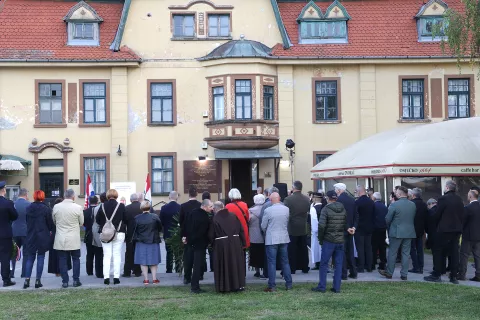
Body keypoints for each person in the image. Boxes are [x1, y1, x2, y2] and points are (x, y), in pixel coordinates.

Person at [425, 180, 464, 284]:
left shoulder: (443, 199)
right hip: (456, 230)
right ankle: (453, 276)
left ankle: (437, 274)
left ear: (447, 187)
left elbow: (437, 214)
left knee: (438, 251)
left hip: (444, 230)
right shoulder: (459, 199)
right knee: (454, 252)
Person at [312, 190, 348, 293]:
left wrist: (320, 238)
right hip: (340, 240)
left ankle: (322, 286)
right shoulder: (343, 209)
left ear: (328, 198)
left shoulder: (326, 209)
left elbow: (322, 225)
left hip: (329, 240)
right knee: (338, 264)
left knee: (324, 264)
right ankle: (337, 287)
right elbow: (345, 223)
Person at [379, 186, 416, 280]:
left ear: (399, 194)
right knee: (406, 254)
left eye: (396, 193)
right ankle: (404, 274)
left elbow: (387, 219)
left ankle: (389, 272)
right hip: (409, 232)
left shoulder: (394, 205)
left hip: (396, 232)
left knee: (392, 253)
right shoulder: (412, 204)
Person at [210, 201, 246, 293]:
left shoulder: (215, 218)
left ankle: (224, 287)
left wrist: (211, 243)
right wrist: (243, 242)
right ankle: (238, 285)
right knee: (235, 263)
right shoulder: (233, 216)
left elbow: (211, 234)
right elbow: (241, 229)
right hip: (235, 243)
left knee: (224, 264)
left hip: (221, 245)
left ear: (215, 209)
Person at [261, 192, 292, 292]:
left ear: (271, 200)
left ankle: (272, 285)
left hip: (272, 238)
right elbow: (287, 222)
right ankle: (289, 284)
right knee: (285, 262)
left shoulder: (268, 210)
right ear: (279, 198)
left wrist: (268, 231)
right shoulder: (286, 209)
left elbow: (263, 226)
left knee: (271, 262)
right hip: (283, 237)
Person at [23, 190, 54, 289]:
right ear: (42, 197)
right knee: (41, 257)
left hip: (31, 235)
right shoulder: (46, 209)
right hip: (42, 236)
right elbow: (50, 224)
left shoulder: (28, 208)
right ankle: (37, 280)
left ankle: (26, 280)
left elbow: (27, 222)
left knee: (30, 258)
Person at [52, 189, 84, 288]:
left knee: (62, 259)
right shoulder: (78, 207)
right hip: (73, 237)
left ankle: (65, 281)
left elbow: (54, 221)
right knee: (76, 259)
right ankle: (76, 280)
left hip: (61, 237)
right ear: (73, 197)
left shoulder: (56, 207)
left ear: (64, 196)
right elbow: (81, 222)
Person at [96, 189, 127, 285]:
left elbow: (97, 220)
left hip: (105, 233)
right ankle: (116, 277)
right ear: (116, 195)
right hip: (119, 232)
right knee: (117, 255)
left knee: (107, 255)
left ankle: (106, 277)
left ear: (107, 196)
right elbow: (126, 219)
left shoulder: (102, 206)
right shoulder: (121, 206)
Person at [183, 199, 213, 294]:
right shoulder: (205, 217)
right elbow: (203, 232)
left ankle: (187, 278)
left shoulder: (192, 213)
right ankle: (195, 287)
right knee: (197, 266)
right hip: (199, 244)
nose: (212, 209)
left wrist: (185, 237)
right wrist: (208, 241)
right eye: (210, 207)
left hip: (189, 242)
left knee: (188, 262)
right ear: (204, 206)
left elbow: (185, 225)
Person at [284, 181, 310, 274]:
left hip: (292, 227)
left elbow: (286, 213)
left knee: (292, 248)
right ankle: (305, 267)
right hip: (303, 226)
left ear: (293, 188)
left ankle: (292, 268)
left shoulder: (288, 199)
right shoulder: (307, 199)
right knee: (303, 248)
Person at [134, 200, 162, 285]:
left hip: (141, 241)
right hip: (153, 240)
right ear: (150, 207)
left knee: (143, 261)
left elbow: (134, 230)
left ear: (141, 208)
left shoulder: (137, 218)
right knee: (153, 260)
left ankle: (146, 279)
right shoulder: (155, 217)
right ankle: (154, 279)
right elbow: (160, 228)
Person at [334, 183, 358, 280]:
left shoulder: (339, 200)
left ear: (339, 190)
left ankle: (343, 274)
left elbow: (340, 217)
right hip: (351, 229)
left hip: (342, 229)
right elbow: (356, 215)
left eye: (336, 189)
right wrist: (354, 227)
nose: (335, 191)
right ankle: (353, 272)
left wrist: (347, 227)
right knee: (350, 251)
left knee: (341, 252)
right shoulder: (352, 199)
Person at [180, 185, 201, 285]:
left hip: (187, 234)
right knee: (199, 256)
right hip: (199, 235)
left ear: (188, 194)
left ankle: (187, 277)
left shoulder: (183, 206)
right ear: (196, 194)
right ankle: (199, 275)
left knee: (188, 258)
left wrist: (183, 236)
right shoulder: (200, 205)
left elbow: (181, 222)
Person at [458, 190, 480, 282]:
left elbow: (463, 222)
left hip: (468, 235)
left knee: (464, 255)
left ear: (470, 197)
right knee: (478, 256)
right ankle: (478, 275)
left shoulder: (468, 208)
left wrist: (460, 231)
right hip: (478, 236)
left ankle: (462, 274)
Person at [0, 181, 18, 287]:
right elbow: (15, 216)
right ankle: (6, 279)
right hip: (5, 234)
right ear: (3, 190)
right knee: (5, 257)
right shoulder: (8, 203)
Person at [48, 197, 72, 276]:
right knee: (65, 253)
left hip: (54, 234)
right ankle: (64, 269)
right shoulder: (66, 212)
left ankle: (56, 271)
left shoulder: (53, 212)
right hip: (64, 233)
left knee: (54, 254)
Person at [354, 185, 375, 273]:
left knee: (360, 248)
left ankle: (361, 267)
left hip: (359, 228)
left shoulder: (357, 202)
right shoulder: (371, 201)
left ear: (359, 192)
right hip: (369, 227)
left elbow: (356, 216)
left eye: (356, 192)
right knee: (368, 247)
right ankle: (369, 266)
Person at [160, 191, 181, 273]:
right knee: (177, 253)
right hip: (178, 233)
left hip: (167, 233)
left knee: (169, 253)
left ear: (169, 197)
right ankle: (178, 269)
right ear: (177, 197)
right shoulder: (180, 207)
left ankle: (168, 270)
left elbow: (161, 221)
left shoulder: (164, 208)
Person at [409, 188, 428, 274]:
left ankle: (415, 266)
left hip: (412, 229)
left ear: (413, 195)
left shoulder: (411, 204)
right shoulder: (424, 204)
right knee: (420, 249)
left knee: (412, 249)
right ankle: (421, 266)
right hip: (421, 230)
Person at [123, 193, 142, 278]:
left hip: (130, 233)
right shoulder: (143, 207)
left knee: (129, 253)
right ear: (137, 199)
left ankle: (127, 272)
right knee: (139, 252)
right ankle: (137, 271)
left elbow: (124, 221)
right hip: (141, 233)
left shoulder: (126, 208)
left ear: (130, 200)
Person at [11, 188, 29, 279]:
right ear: (26, 195)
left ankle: (11, 272)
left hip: (14, 231)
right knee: (26, 253)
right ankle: (24, 273)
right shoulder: (29, 204)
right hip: (25, 232)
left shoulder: (12, 204)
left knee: (13, 253)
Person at [248, 194, 266, 278]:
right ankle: (264, 271)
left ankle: (257, 271)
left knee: (254, 254)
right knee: (264, 254)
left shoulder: (250, 211)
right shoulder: (266, 209)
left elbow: (248, 222)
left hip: (253, 236)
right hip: (264, 236)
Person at [83, 196, 100, 277]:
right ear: (97, 202)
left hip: (89, 234)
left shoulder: (85, 212)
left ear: (89, 202)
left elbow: (83, 223)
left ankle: (89, 271)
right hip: (98, 234)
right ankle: (98, 271)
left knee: (89, 254)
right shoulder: (100, 210)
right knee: (98, 253)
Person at [371, 192, 387, 271]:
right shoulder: (384, 206)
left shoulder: (373, 206)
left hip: (375, 229)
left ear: (374, 198)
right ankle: (383, 263)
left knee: (374, 247)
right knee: (382, 247)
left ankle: (373, 263)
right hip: (383, 228)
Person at [91, 193, 105, 278]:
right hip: (104, 229)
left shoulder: (95, 208)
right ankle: (103, 271)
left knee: (98, 252)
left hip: (95, 229)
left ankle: (98, 272)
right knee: (105, 252)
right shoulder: (106, 207)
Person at [309, 192, 324, 270]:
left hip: (316, 232)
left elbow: (314, 221)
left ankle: (318, 264)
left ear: (314, 198)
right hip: (324, 230)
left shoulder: (313, 208)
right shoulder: (324, 206)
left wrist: (315, 231)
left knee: (316, 249)